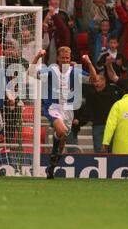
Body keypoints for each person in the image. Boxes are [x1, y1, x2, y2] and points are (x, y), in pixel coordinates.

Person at [31, 47, 97, 179]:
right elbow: (31, 73)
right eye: (63, 58)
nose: (65, 60)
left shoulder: (75, 71)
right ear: (58, 59)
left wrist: (89, 63)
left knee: (62, 142)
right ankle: (56, 142)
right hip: (53, 107)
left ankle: (51, 167)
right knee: (61, 132)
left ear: (70, 58)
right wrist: (38, 56)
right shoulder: (51, 70)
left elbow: (93, 79)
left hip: (68, 110)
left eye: (67, 58)